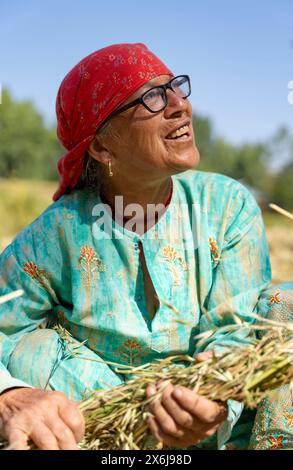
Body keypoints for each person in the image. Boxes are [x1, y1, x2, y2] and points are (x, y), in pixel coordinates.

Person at [0, 43, 291, 451]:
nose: (180, 105)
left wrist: (213, 395)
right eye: (152, 98)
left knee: (286, 305)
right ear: (102, 147)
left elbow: (233, 329)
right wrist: (9, 397)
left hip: (220, 423)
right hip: (112, 426)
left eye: (177, 87)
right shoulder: (60, 232)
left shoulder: (226, 206)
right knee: (33, 347)